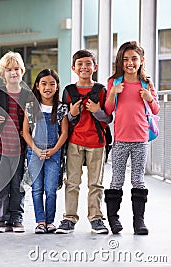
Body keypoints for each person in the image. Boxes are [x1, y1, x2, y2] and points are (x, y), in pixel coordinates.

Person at [104, 41, 160, 235]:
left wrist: (149, 97)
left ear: (141, 60)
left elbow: (156, 109)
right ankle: (114, 219)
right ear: (120, 61)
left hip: (141, 139)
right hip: (120, 140)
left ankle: (139, 221)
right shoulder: (115, 82)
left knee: (138, 180)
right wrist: (112, 93)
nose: (130, 63)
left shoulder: (146, 83)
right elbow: (108, 110)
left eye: (134, 59)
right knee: (117, 180)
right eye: (125, 59)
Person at [56, 49, 112, 234]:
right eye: (80, 64)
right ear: (73, 68)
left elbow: (108, 118)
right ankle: (69, 218)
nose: (84, 67)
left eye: (88, 63)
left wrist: (96, 110)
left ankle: (96, 218)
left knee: (95, 184)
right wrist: (72, 114)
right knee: (72, 182)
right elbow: (63, 119)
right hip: (74, 142)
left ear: (94, 67)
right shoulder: (69, 91)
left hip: (97, 142)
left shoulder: (101, 90)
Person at [0, 51, 32, 233]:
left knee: (17, 184)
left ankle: (16, 217)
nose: (13, 73)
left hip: (19, 148)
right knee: (1, 184)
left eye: (16, 69)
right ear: (2, 73)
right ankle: (2, 218)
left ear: (22, 71)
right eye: (8, 70)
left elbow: (33, 121)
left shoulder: (27, 96)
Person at [22, 69, 68, 234]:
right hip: (35, 152)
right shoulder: (32, 107)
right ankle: (40, 221)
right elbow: (25, 132)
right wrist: (36, 149)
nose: (48, 87)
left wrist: (54, 150)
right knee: (37, 189)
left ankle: (50, 221)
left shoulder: (61, 107)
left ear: (57, 87)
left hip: (53, 154)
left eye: (52, 84)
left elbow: (64, 133)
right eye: (44, 84)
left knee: (50, 190)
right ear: (37, 86)